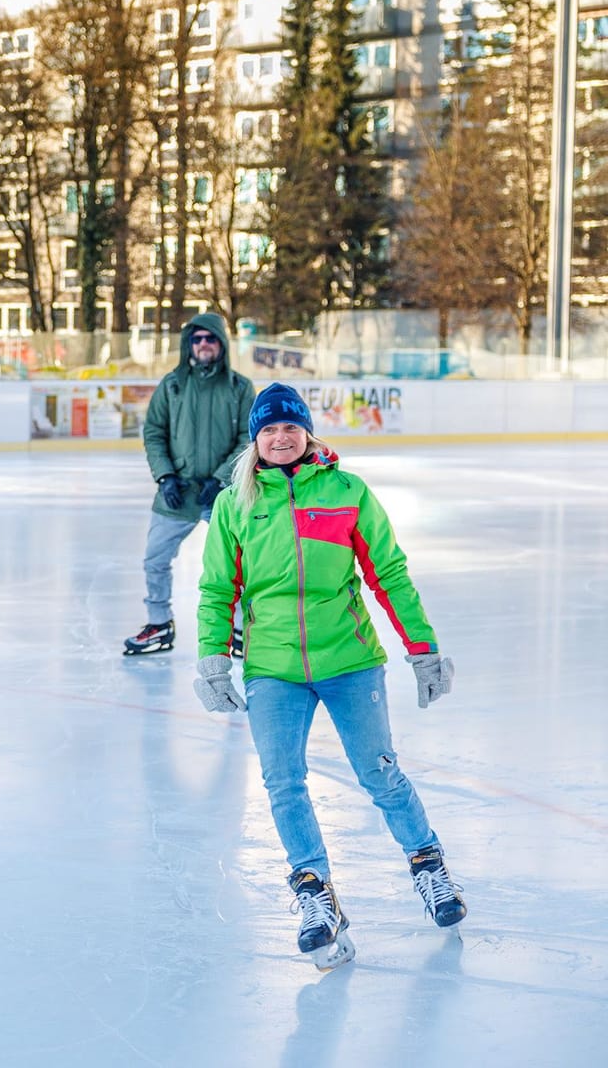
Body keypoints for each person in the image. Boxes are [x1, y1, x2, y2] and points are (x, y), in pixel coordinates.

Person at [194, 383, 463, 970]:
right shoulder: (235, 504)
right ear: (255, 440)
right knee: (282, 781)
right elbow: (218, 589)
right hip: (273, 667)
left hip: (349, 660)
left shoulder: (347, 492)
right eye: (269, 430)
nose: (280, 437)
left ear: (307, 432)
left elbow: (387, 573)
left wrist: (423, 649)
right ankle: (314, 892)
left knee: (380, 774)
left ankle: (428, 866)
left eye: (290, 427)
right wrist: (213, 657)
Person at [124, 312, 255, 656]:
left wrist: (221, 478)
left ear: (222, 344)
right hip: (178, 492)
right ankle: (159, 624)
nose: (203, 345)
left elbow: (249, 438)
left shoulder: (240, 388)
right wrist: (165, 475)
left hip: (223, 493)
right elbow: (154, 432)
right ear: (188, 345)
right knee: (155, 559)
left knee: (237, 562)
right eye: (196, 339)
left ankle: (241, 629)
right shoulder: (172, 385)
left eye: (210, 338)